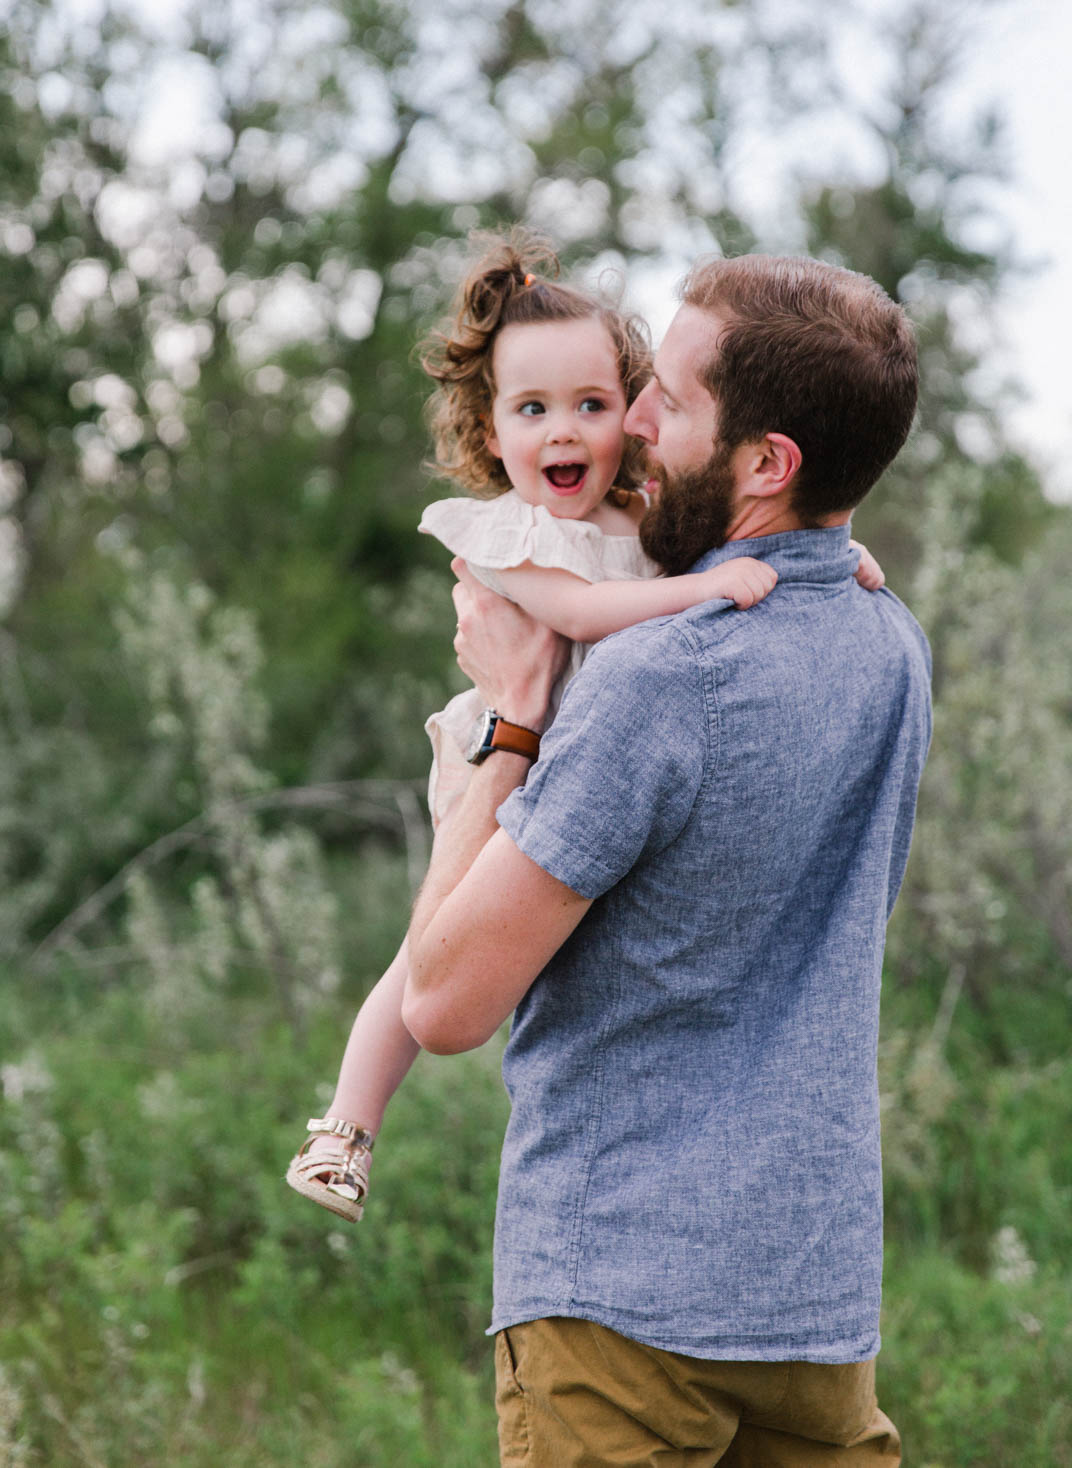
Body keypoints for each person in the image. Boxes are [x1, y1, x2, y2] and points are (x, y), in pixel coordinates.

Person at [400, 251, 932, 1467]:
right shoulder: (891, 645)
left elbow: (441, 999)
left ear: (765, 463)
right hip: (813, 1306)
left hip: (620, 1308)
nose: (630, 417)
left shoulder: (654, 681)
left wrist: (512, 719)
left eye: (670, 402)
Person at [286, 238, 882, 1220]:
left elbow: (765, 523)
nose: (563, 431)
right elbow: (578, 620)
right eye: (531, 409)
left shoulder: (642, 515)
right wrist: (708, 588)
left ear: (631, 410)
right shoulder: (510, 534)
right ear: (490, 425)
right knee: (424, 956)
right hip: (507, 753)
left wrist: (835, 553)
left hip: (598, 772)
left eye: (590, 405)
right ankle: (345, 1129)